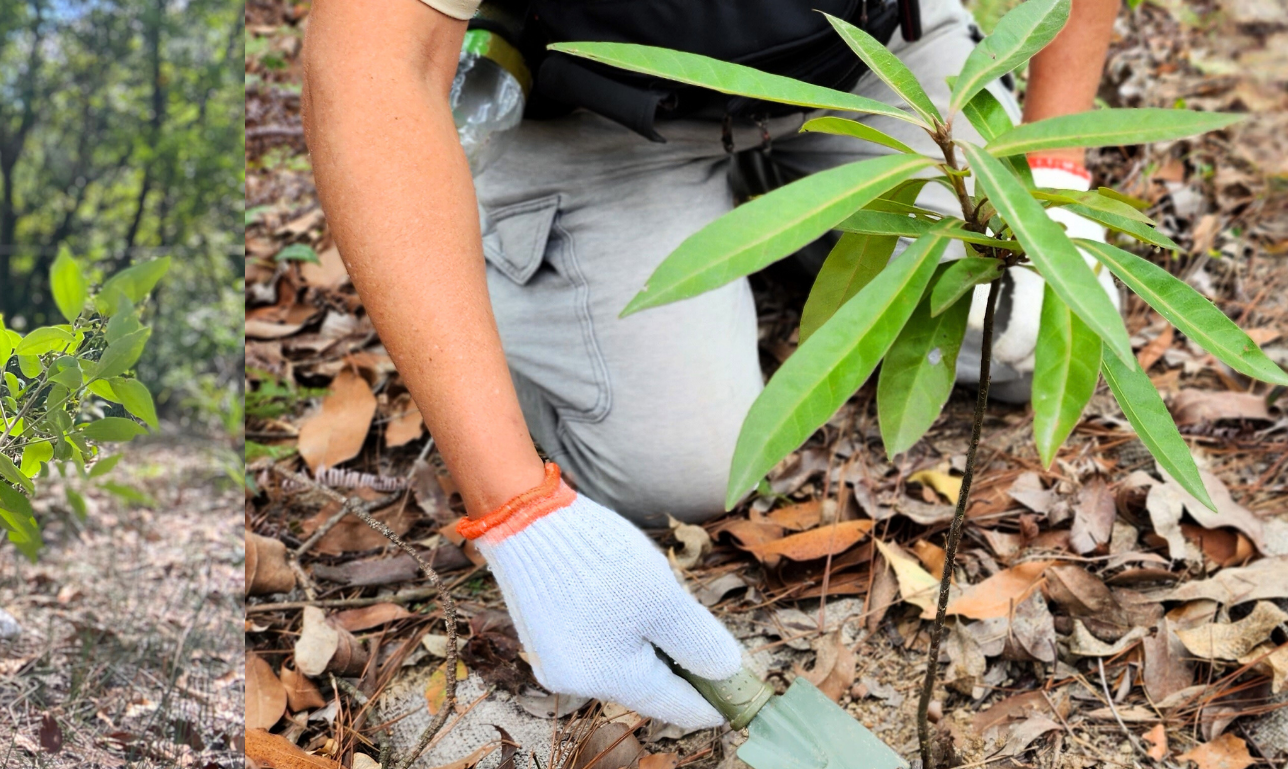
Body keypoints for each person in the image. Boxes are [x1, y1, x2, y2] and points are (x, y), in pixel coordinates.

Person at [301, 0, 1120, 729]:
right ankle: (511, 249)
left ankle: (778, 201)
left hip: (865, 61)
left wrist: (1054, 183)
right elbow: (373, 67)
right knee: (689, 467)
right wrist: (518, 513)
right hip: (593, 105)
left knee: (1021, 340)